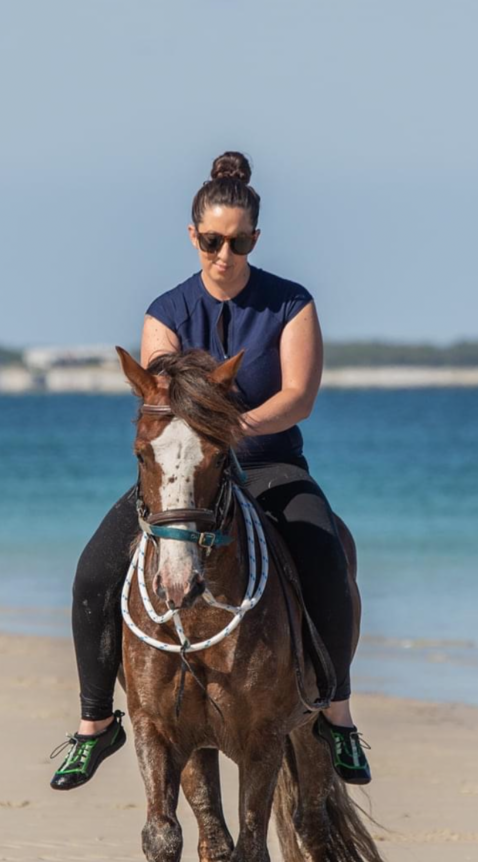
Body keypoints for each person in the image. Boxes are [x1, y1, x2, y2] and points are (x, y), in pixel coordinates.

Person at [50, 151, 371, 790]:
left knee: (328, 557)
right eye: (214, 241)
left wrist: (231, 431)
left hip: (271, 464)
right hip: (184, 476)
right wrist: (201, 444)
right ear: (193, 236)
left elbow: (298, 396)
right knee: (93, 569)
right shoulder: (165, 313)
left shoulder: (291, 303)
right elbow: (164, 398)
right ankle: (95, 723)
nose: (226, 253)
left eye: (240, 241)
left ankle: (337, 712)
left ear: (255, 238)